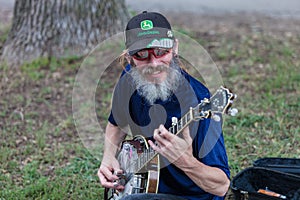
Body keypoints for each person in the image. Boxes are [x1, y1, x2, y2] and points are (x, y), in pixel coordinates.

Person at [98, 11, 230, 200]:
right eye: (142, 55)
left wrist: (185, 161)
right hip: (149, 186)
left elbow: (222, 186)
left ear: (175, 48)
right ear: (129, 58)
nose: (154, 63)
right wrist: (109, 156)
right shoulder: (129, 79)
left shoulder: (198, 102)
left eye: (161, 51)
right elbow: (116, 124)